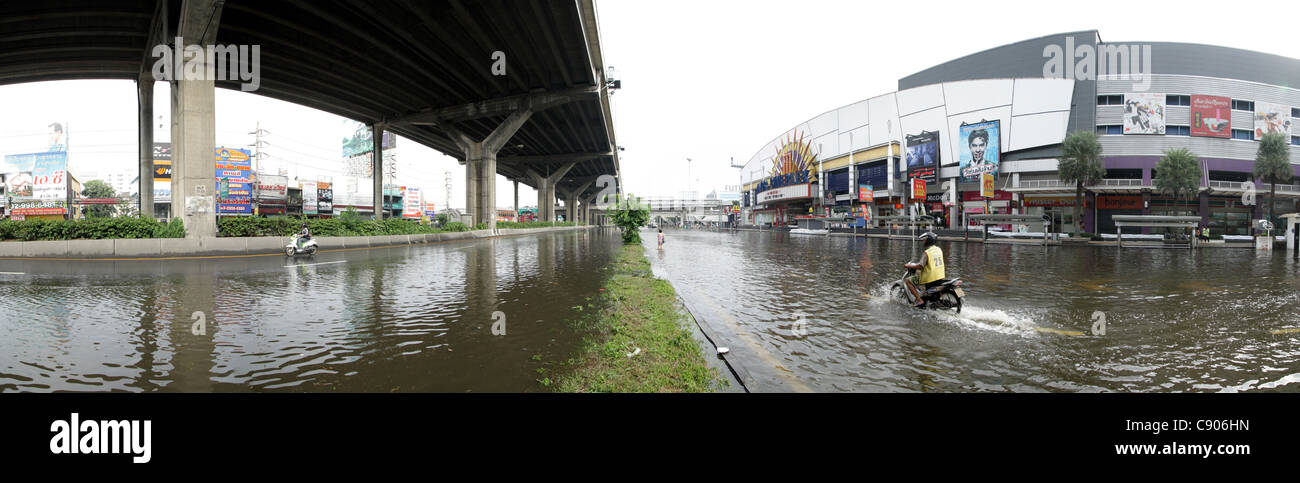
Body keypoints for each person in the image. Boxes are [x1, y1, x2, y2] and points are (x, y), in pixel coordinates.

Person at [904, 231, 945, 308]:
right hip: (940, 276)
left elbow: (920, 266)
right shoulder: (939, 249)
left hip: (930, 278)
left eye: (924, 240)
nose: (923, 242)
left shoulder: (927, 252)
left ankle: (919, 300)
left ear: (928, 241)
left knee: (908, 281)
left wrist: (909, 265)